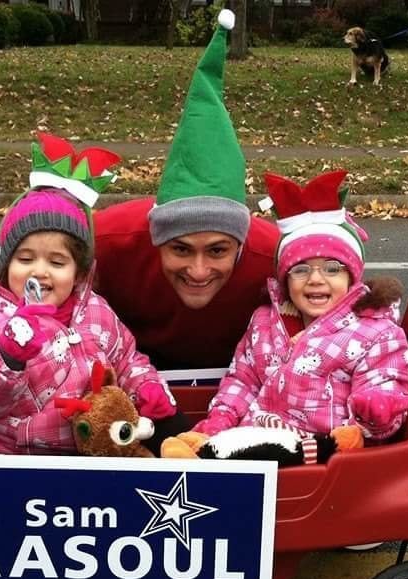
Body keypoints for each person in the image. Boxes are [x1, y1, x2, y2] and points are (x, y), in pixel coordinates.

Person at [0, 153, 176, 454]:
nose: (40, 271)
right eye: (25, 259)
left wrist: (146, 387)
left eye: (57, 261)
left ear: (78, 273)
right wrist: (8, 356)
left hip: (93, 452)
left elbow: (127, 357)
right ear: (6, 264)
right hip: (20, 465)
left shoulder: (94, 311)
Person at [93, 9, 279, 370]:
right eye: (180, 248)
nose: (198, 270)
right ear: (156, 235)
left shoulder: (276, 259)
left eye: (217, 250)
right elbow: (36, 265)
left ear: (242, 241)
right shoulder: (107, 240)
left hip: (240, 391)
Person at [169, 170, 408, 444]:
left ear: (351, 277)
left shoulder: (376, 333)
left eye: (332, 269)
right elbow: (243, 379)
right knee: (192, 448)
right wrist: (219, 422)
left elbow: (385, 391)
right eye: (300, 270)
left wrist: (375, 409)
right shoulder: (266, 321)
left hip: (323, 451)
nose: (316, 280)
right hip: (255, 437)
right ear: (286, 279)